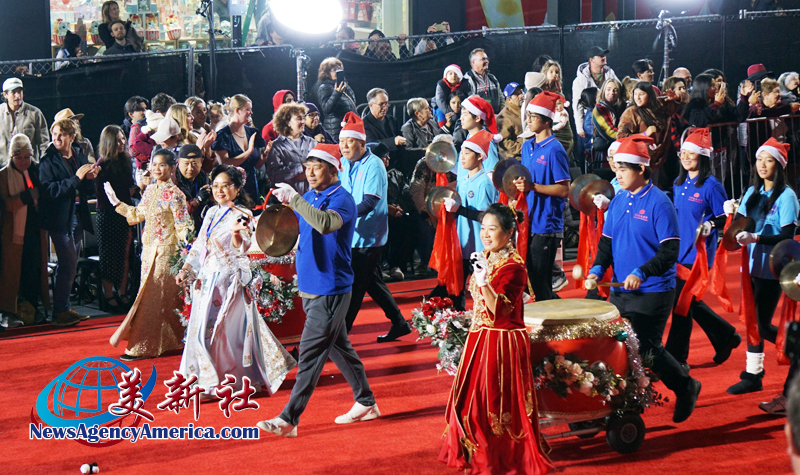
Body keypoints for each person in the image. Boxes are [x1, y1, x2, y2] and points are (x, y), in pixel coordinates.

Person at [257, 143, 379, 438]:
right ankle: (366, 402)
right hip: (310, 285)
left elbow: (325, 224)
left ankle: (288, 419)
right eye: (307, 167)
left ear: (333, 170)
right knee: (339, 347)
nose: (310, 172)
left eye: (317, 167)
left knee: (310, 354)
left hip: (331, 288)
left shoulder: (343, 199)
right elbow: (293, 231)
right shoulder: (311, 197)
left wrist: (296, 200)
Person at [587, 134, 702, 424]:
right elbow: (606, 243)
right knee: (615, 346)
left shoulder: (660, 203)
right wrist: (597, 269)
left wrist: (642, 272)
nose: (617, 174)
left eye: (623, 169)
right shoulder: (618, 201)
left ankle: (685, 385)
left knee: (646, 346)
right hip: (621, 290)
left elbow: (669, 251)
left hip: (654, 290)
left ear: (640, 169)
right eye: (616, 168)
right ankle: (623, 404)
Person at [439, 203, 554, 475]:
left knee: (493, 402)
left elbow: (499, 310)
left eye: (492, 229)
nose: (486, 234)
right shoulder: (488, 256)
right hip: (480, 338)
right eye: (483, 228)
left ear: (509, 233)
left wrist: (482, 281)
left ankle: (496, 456)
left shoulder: (514, 267)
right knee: (470, 400)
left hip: (502, 343)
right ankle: (476, 451)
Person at [177, 164, 294, 394]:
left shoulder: (243, 215)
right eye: (215, 186)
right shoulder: (211, 212)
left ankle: (222, 381)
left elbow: (243, 247)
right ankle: (205, 380)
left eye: (226, 186)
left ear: (237, 188)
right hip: (207, 279)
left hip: (229, 281)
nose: (220, 191)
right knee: (202, 330)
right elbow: (200, 243)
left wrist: (235, 235)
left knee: (223, 332)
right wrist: (187, 268)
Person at [725, 138, 799, 415]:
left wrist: (756, 237)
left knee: (759, 321)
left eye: (769, 160)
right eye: (759, 160)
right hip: (752, 266)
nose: (762, 165)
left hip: (774, 268)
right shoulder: (752, 191)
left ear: (779, 165)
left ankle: (791, 349)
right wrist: (730, 219)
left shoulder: (787, 196)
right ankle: (753, 373)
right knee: (753, 320)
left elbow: (788, 236)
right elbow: (739, 226)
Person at [664, 128, 741, 369]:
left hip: (699, 255)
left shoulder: (711, 186)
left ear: (703, 156)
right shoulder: (678, 183)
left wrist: (711, 224)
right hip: (679, 252)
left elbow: (725, 217)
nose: (685, 158)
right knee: (689, 303)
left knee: (682, 304)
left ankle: (676, 358)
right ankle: (726, 336)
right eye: (682, 153)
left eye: (691, 153)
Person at [106, 148, 192, 360]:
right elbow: (137, 215)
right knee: (160, 298)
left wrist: (190, 252)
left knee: (154, 298)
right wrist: (116, 202)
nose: (157, 169)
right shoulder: (151, 190)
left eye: (162, 165)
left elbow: (183, 226)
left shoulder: (176, 194)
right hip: (148, 252)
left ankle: (143, 345)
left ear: (172, 168)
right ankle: (169, 341)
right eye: (154, 165)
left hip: (167, 252)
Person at [337, 112, 411, 341]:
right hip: (350, 235)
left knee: (355, 287)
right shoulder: (344, 164)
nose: (344, 146)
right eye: (341, 141)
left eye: (349, 141)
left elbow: (369, 202)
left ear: (362, 143)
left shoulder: (374, 164)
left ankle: (340, 336)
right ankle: (399, 322)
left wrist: (340, 218)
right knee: (372, 281)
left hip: (369, 237)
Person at [39, 118, 99, 326]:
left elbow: (87, 190)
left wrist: (90, 179)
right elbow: (50, 191)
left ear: (72, 137)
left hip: (78, 215)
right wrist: (76, 179)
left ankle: (63, 308)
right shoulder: (48, 161)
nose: (56, 138)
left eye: (61, 135)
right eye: (54, 134)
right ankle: (60, 311)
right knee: (69, 263)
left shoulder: (78, 155)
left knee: (69, 264)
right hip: (60, 218)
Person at [430, 130, 498, 311]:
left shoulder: (484, 183)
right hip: (462, 244)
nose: (462, 158)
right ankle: (457, 320)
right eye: (462, 153)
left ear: (480, 157)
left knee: (482, 290)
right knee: (456, 288)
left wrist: (458, 209)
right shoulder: (463, 180)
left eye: (467, 153)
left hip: (480, 248)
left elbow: (486, 217)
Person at [514, 92, 571, 302]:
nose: (528, 120)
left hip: (546, 224)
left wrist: (533, 187)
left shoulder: (555, 150)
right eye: (527, 115)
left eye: (533, 116)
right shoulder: (527, 146)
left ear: (547, 120)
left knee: (540, 282)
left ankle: (556, 317)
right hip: (527, 221)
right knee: (531, 278)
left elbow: (564, 190)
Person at [0, 135, 49, 327]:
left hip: (34, 230)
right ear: (11, 157)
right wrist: (26, 197)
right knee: (11, 273)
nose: (23, 162)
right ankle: (9, 311)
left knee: (33, 270)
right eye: (19, 158)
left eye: (27, 157)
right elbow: (6, 204)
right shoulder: (4, 175)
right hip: (12, 233)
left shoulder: (36, 171)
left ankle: (33, 308)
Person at [94, 125, 136, 311]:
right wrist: (126, 193)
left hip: (125, 211)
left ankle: (122, 292)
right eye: (117, 140)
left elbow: (129, 185)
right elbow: (102, 193)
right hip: (108, 213)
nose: (122, 142)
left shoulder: (126, 160)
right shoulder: (102, 164)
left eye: (123, 139)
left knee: (125, 253)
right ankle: (108, 294)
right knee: (109, 255)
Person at [618, 81, 686, 190]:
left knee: (658, 187)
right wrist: (645, 134)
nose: (637, 98)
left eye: (641, 94)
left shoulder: (660, 106)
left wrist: (677, 98)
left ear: (649, 94)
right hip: (641, 158)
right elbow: (621, 136)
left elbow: (682, 101)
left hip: (660, 157)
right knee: (644, 188)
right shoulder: (631, 112)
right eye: (635, 94)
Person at [408, 134, 457, 277]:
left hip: (449, 208)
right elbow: (416, 191)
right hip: (425, 209)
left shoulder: (454, 165)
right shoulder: (424, 164)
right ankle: (425, 262)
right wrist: (426, 213)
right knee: (426, 229)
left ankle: (449, 261)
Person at [212, 94, 270, 203]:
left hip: (253, 188)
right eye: (248, 110)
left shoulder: (253, 132)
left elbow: (256, 166)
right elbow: (225, 163)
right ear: (237, 111)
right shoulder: (223, 136)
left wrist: (264, 156)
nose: (251, 113)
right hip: (232, 190)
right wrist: (248, 152)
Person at [266, 102, 317, 195]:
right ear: (288, 122)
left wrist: (300, 172)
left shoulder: (312, 142)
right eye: (299, 119)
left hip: (311, 196)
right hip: (287, 199)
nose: (303, 122)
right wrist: (299, 168)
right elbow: (274, 176)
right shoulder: (277, 146)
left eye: (303, 118)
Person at [572, 46, 618, 140]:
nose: (604, 57)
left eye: (604, 55)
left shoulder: (610, 73)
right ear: (591, 60)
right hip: (591, 119)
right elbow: (577, 104)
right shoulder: (580, 80)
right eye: (600, 56)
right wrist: (580, 128)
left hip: (609, 116)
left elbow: (619, 90)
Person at [0, 78, 49, 164]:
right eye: (13, 92)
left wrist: (43, 165)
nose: (18, 96)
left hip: (29, 166)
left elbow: (43, 143)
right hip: (3, 166)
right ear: (5, 95)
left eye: (20, 92)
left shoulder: (34, 113)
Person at [362, 88, 407, 175]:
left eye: (386, 104)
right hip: (378, 168)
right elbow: (371, 145)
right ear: (371, 105)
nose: (385, 107)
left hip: (397, 166)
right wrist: (393, 141)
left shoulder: (392, 120)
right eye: (381, 104)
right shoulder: (364, 124)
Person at [454, 95, 500, 178]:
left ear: (477, 118)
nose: (461, 118)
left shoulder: (485, 141)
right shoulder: (469, 137)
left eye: (465, 114)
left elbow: (491, 173)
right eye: (461, 114)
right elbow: (464, 171)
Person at [315, 58, 357, 141]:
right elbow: (327, 109)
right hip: (336, 131)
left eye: (339, 69)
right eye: (334, 70)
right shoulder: (325, 87)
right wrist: (337, 93)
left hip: (348, 128)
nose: (338, 72)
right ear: (327, 73)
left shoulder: (344, 86)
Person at [174, 144, 211, 231]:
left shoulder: (204, 178)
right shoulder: (172, 181)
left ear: (201, 162)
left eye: (194, 163)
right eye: (186, 164)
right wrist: (197, 200)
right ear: (178, 162)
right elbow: (178, 211)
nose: (190, 168)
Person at [592, 78, 626, 166]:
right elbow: (609, 132)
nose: (612, 93)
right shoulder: (599, 109)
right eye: (608, 89)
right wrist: (629, 137)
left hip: (621, 150)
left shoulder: (622, 107)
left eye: (615, 90)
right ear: (603, 91)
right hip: (605, 154)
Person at [463, 48, 504, 114]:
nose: (487, 61)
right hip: (479, 119)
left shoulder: (492, 78)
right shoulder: (467, 81)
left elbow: (501, 97)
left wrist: (501, 114)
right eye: (483, 59)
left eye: (487, 59)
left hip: (496, 117)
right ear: (473, 62)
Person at [495, 82, 524, 159]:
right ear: (509, 99)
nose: (521, 96)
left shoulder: (523, 110)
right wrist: (524, 148)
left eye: (521, 92)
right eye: (517, 94)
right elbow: (505, 143)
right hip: (516, 160)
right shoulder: (504, 117)